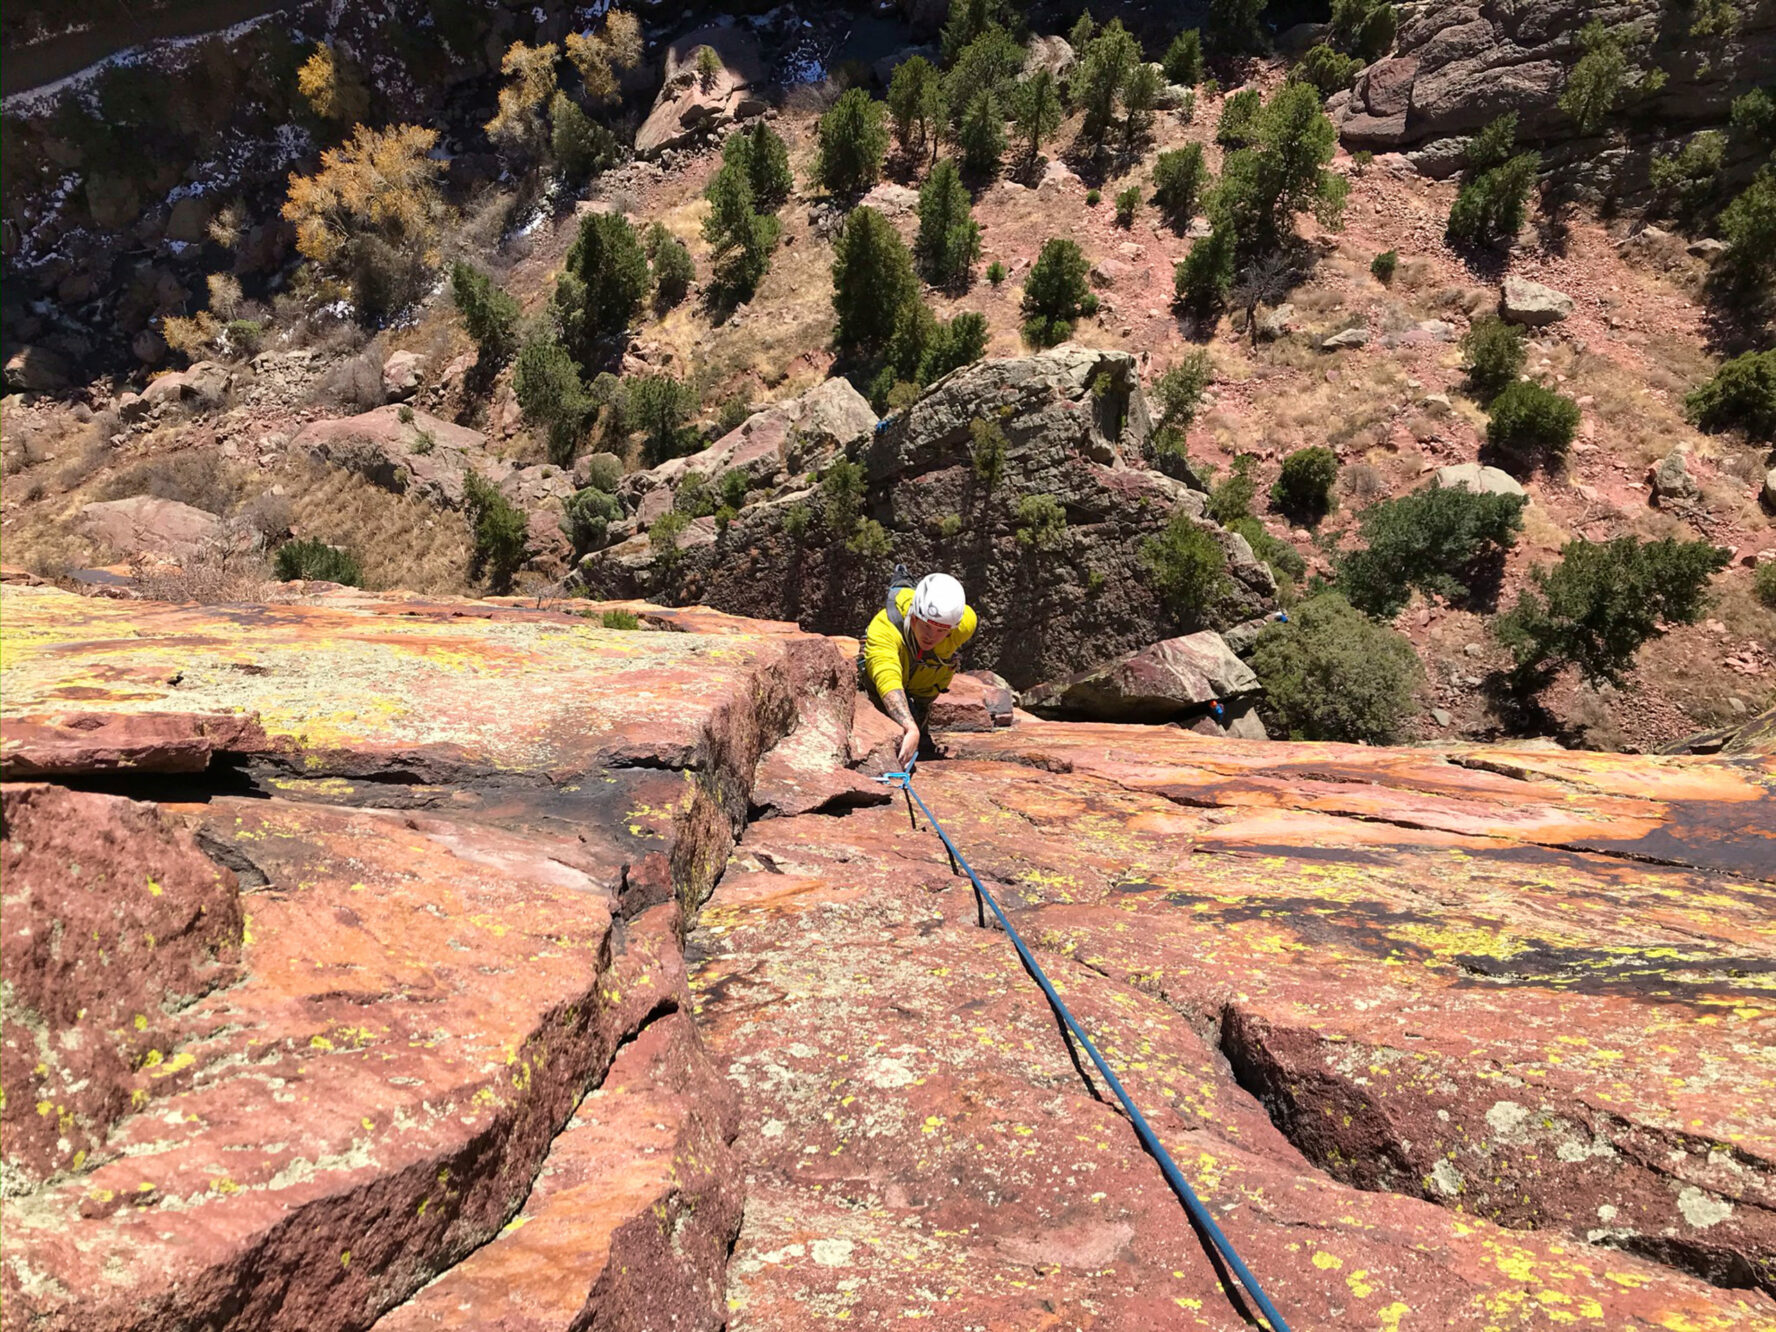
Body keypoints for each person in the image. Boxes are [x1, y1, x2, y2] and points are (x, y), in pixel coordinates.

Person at [861, 568, 978, 769]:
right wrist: (909, 726)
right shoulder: (884, 628)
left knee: (933, 667)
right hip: (893, 669)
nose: (930, 636)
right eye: (926, 626)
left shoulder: (964, 624)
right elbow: (887, 676)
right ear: (913, 616)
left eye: (941, 631)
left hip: (925, 681)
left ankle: (921, 711)